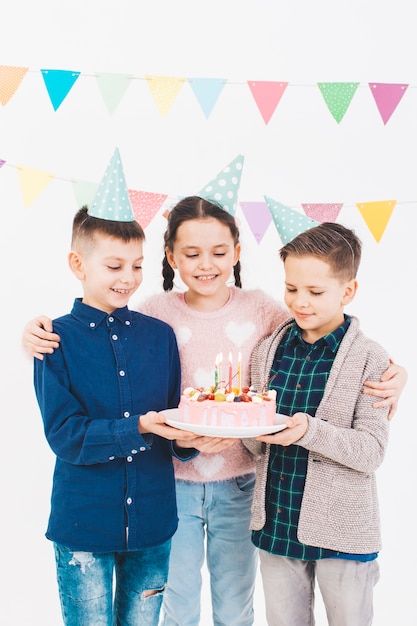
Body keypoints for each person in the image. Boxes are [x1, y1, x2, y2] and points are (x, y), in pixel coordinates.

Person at [24, 198, 407, 626]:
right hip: (173, 485)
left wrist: (397, 372)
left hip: (244, 484)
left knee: (235, 602)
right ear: (170, 257)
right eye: (191, 254)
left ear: (238, 253)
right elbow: (108, 331)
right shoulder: (154, 314)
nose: (206, 264)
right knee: (178, 605)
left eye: (220, 253)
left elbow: (321, 324)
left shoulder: (265, 312)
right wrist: (34, 333)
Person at [32, 151, 217, 626]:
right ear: (78, 263)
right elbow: (66, 436)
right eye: (115, 266)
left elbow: (173, 425)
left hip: (155, 524)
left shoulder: (159, 336)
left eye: (137, 266)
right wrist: (138, 428)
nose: (128, 278)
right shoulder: (56, 340)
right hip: (83, 526)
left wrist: (187, 440)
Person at [246, 222, 398, 626]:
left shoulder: (371, 359)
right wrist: (247, 429)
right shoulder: (267, 351)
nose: (300, 302)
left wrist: (309, 431)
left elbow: (371, 452)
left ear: (348, 291)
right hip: (277, 524)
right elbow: (255, 445)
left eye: (315, 292)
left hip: (343, 533)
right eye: (291, 289)